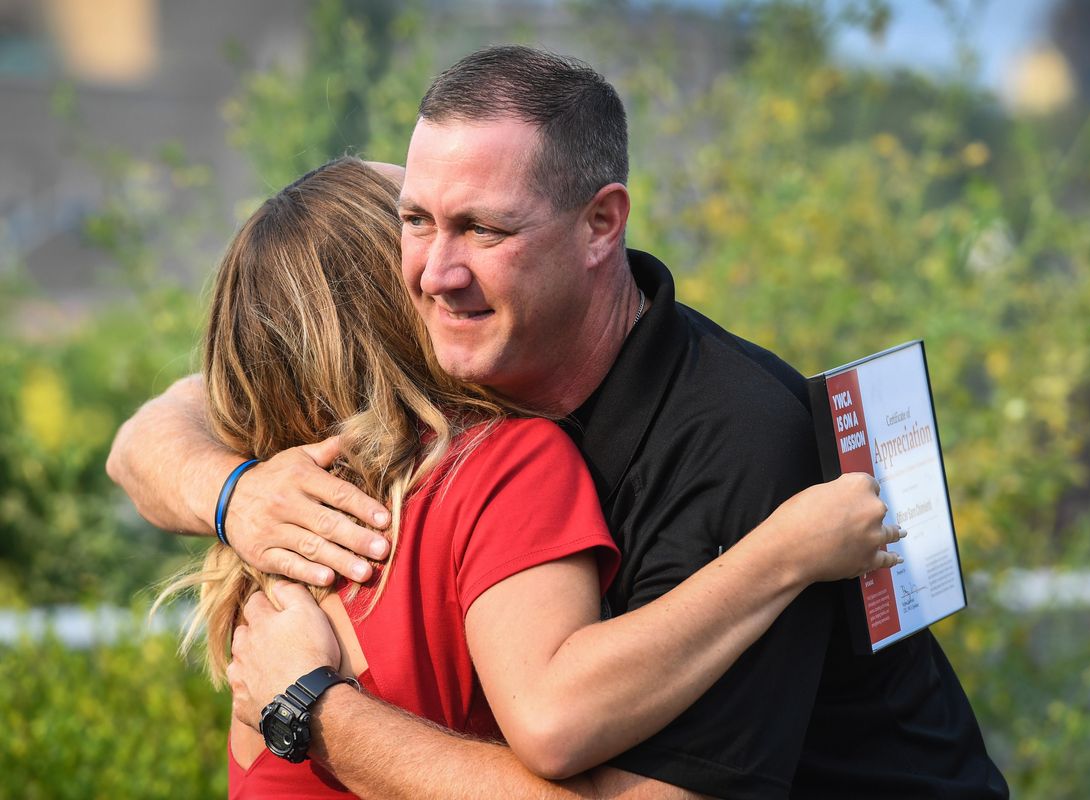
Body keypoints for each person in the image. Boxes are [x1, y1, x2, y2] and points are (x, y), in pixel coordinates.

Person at [110, 47, 1008, 799]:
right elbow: (157, 430)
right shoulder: (413, 428)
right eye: (415, 223)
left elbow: (587, 744)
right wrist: (232, 489)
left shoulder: (727, 440)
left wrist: (313, 708)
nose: (434, 271)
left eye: (485, 231)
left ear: (600, 225)